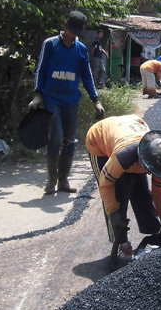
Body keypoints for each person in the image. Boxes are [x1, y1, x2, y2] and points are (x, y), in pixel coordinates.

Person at [86, 115, 161, 266]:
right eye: (150, 171)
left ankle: (153, 231)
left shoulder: (160, 157)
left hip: (130, 125)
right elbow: (105, 185)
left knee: (142, 193)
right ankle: (122, 244)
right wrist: (114, 213)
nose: (151, 174)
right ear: (144, 160)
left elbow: (159, 191)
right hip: (100, 142)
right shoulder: (122, 157)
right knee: (118, 198)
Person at [28, 10, 105, 195]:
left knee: (69, 141)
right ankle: (51, 180)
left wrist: (96, 100)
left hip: (71, 101)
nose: (73, 34)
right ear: (65, 25)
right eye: (71, 30)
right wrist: (38, 94)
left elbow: (86, 75)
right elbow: (41, 69)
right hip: (52, 99)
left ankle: (63, 180)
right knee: (55, 139)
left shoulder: (80, 50)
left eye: (77, 32)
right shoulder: (50, 44)